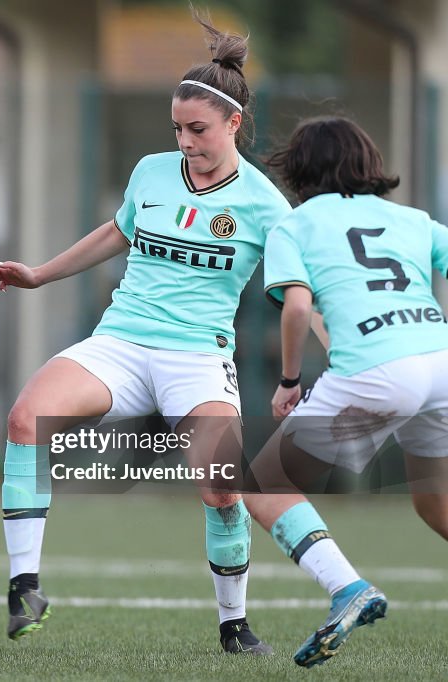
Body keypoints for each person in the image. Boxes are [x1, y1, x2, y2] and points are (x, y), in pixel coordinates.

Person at [0, 11, 287, 652]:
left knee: (221, 486)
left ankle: (233, 624)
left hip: (199, 356)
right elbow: (115, 234)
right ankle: (24, 587)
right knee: (25, 419)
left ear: (234, 123)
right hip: (121, 342)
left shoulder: (264, 203)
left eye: (198, 129)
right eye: (177, 127)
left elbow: (299, 287)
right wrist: (39, 275)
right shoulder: (151, 171)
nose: (184, 141)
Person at [243, 115, 448, 667]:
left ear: (301, 170)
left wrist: (289, 381)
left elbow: (299, 306)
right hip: (440, 363)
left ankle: (346, 588)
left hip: (377, 373)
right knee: (436, 502)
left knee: (262, 485)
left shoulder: (297, 224)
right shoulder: (413, 218)